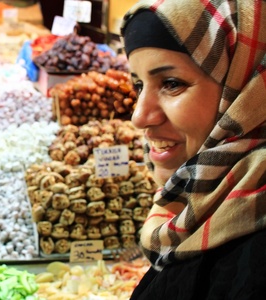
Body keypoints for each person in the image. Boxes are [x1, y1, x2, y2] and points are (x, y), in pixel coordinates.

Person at [120, 0, 266, 299]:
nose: (138, 117)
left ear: (244, 89)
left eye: (171, 83)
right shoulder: (195, 196)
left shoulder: (254, 262)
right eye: (138, 85)